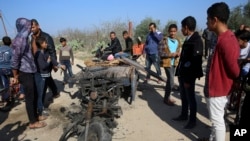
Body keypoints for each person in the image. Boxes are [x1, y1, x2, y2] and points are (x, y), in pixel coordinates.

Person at [204, 2, 240, 141]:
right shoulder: (219, 38)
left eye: (207, 20)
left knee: (218, 123)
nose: (206, 23)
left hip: (218, 90)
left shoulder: (227, 40)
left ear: (215, 20)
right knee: (215, 121)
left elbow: (234, 70)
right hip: (213, 89)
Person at [11, 17, 46, 129]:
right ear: (23, 26)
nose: (30, 28)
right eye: (28, 26)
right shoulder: (19, 40)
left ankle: (36, 116)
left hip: (29, 71)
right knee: (30, 97)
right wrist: (15, 75)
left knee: (34, 95)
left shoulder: (25, 38)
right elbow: (15, 60)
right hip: (24, 72)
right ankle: (33, 122)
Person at [173, 16, 203, 129]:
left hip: (188, 76)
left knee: (190, 98)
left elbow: (195, 63)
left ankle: (192, 120)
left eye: (182, 27)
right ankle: (184, 115)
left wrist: (188, 79)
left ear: (186, 27)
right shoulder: (188, 38)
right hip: (182, 73)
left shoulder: (197, 41)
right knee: (184, 96)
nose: (181, 30)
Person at [34, 36, 65, 121]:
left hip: (46, 76)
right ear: (41, 44)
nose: (46, 44)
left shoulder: (45, 52)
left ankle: (42, 108)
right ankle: (40, 111)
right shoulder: (38, 54)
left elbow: (53, 60)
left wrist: (60, 65)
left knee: (43, 93)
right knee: (40, 94)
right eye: (45, 43)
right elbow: (43, 66)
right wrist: (48, 61)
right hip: (41, 77)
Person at [31, 19, 60, 101]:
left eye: (33, 27)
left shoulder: (46, 37)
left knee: (43, 78)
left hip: (46, 61)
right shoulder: (32, 37)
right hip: (36, 61)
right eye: (30, 28)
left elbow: (52, 51)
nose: (31, 29)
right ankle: (55, 92)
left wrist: (55, 64)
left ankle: (41, 101)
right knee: (47, 77)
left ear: (38, 26)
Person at [159, 24, 181, 106]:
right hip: (167, 63)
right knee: (171, 81)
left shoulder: (178, 41)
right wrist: (171, 54)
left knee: (169, 80)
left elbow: (178, 50)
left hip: (174, 63)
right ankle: (166, 99)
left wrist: (178, 54)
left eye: (174, 31)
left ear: (176, 31)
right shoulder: (164, 40)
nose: (173, 33)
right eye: (171, 31)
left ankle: (167, 97)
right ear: (168, 31)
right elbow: (161, 53)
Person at [0, 36, 13, 110]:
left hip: (0, 69)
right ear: (10, 42)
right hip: (7, 69)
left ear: (3, 42)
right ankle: (21, 92)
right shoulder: (11, 50)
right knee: (20, 77)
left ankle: (4, 98)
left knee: (3, 85)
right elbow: (14, 61)